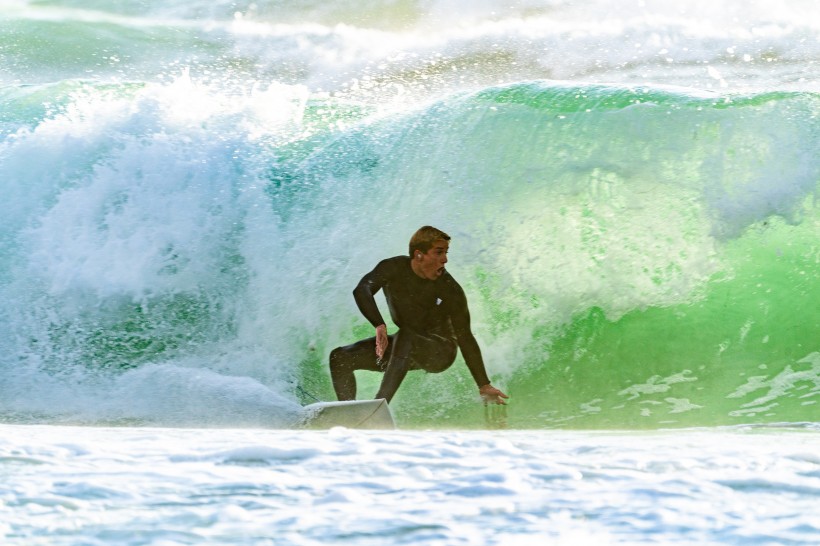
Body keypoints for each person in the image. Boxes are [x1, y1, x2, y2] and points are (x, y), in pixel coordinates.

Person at [329, 226, 508, 405]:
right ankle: (350, 413)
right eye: (438, 253)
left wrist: (483, 384)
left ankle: (378, 405)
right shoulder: (393, 268)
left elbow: (465, 337)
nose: (444, 260)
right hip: (404, 346)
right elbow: (362, 289)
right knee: (340, 357)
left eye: (446, 253)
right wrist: (379, 324)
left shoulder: (450, 289)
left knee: (406, 336)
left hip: (439, 351)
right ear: (419, 255)